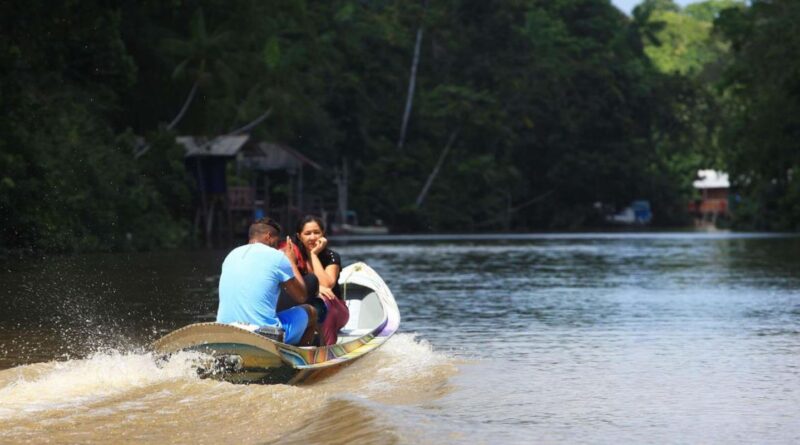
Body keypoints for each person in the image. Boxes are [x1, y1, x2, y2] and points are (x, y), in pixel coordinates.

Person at [216, 217, 317, 346]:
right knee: (311, 312)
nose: (277, 246)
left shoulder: (231, 255)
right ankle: (299, 359)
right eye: (277, 241)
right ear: (269, 236)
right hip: (263, 334)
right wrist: (291, 261)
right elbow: (301, 296)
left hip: (224, 329)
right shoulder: (278, 257)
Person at [293, 215, 349, 346]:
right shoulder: (294, 257)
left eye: (317, 232)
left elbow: (327, 284)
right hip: (307, 308)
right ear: (299, 236)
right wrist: (313, 290)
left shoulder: (331, 256)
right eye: (307, 233)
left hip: (335, 308)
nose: (313, 237)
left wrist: (313, 254)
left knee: (322, 299)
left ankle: (327, 347)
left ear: (323, 233)